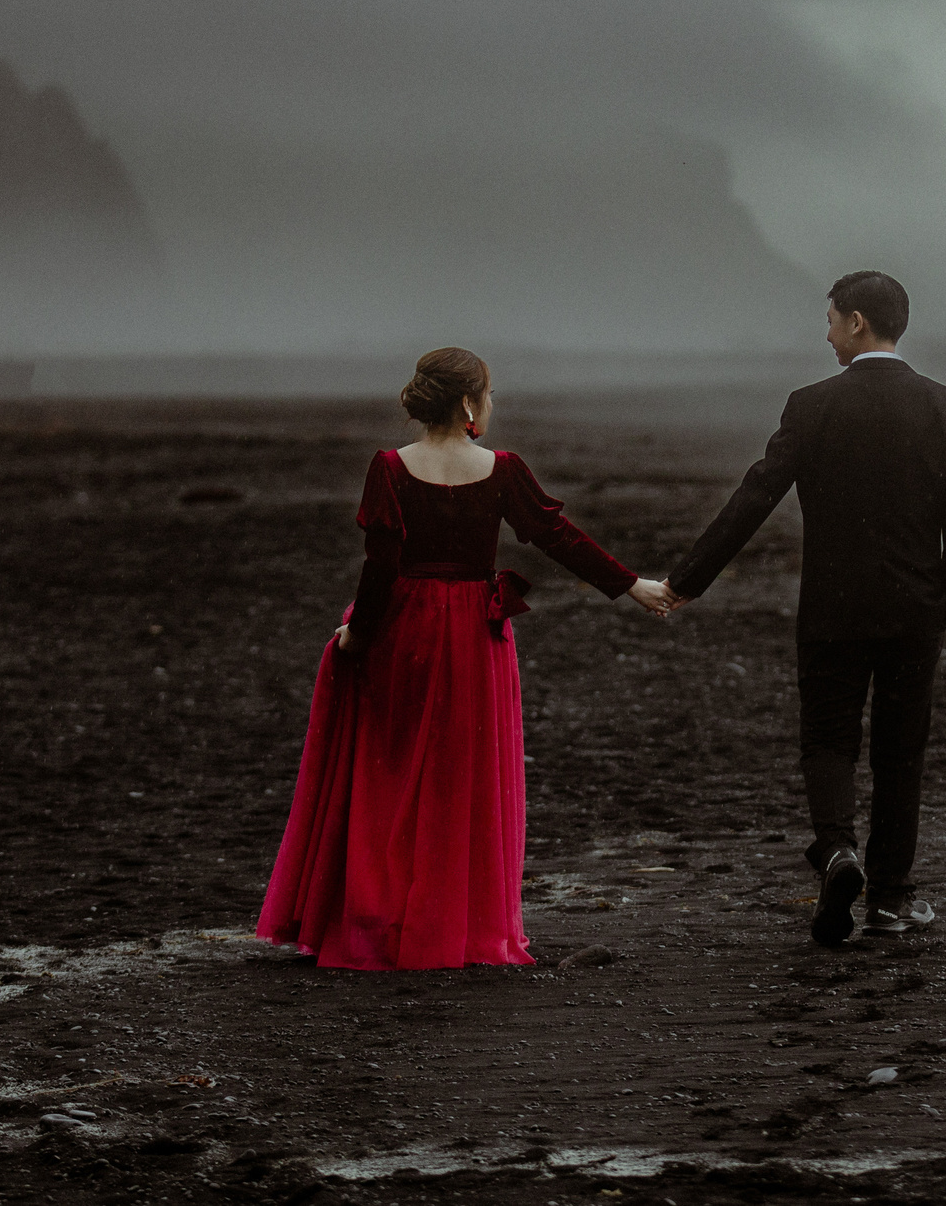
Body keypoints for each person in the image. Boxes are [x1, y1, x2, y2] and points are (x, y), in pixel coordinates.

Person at [257, 347, 676, 970]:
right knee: (462, 780)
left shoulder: (389, 468)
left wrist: (356, 636)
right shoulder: (501, 469)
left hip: (404, 629)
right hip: (475, 639)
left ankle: (384, 916)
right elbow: (557, 536)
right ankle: (453, 924)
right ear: (469, 403)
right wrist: (630, 584)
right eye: (490, 394)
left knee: (391, 775)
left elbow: (380, 567)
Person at [662, 271, 946, 946]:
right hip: (916, 609)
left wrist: (689, 578)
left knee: (829, 739)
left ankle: (839, 853)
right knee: (901, 753)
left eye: (832, 318)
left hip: (832, 607)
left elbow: (756, 495)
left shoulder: (811, 405)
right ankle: (891, 901)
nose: (827, 331)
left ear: (858, 322)